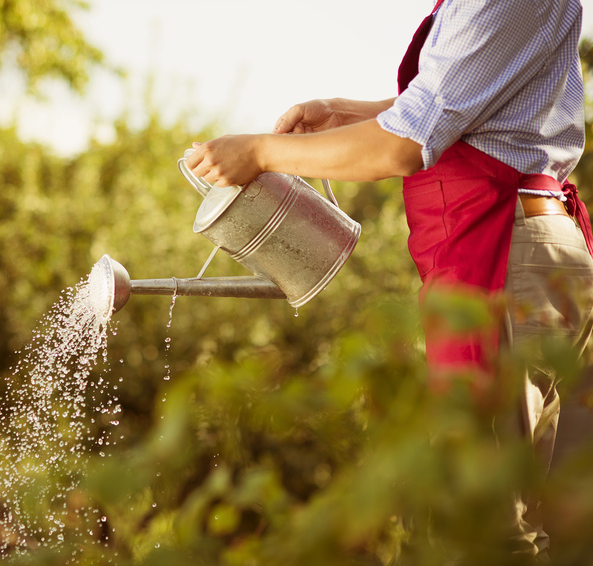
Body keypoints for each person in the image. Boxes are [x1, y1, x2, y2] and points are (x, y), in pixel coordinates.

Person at [186, 0, 593, 558]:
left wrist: (260, 153)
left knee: (475, 525)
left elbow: (405, 145)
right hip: (512, 249)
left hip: (502, 249)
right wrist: (344, 112)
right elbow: (460, 97)